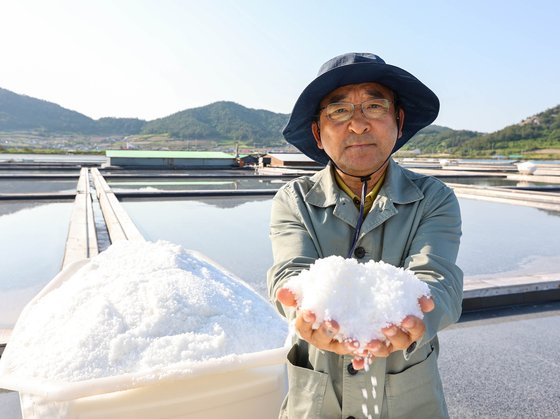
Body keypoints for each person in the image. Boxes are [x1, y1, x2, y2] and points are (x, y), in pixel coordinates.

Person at [267, 52, 463, 419]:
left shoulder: (434, 199)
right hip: (315, 401)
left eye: (374, 106)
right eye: (338, 111)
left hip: (410, 400)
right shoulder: (293, 201)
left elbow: (437, 277)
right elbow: (291, 271)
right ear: (317, 133)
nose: (357, 125)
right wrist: (302, 305)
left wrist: (418, 314)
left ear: (398, 121)